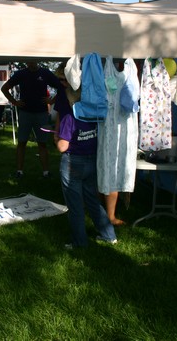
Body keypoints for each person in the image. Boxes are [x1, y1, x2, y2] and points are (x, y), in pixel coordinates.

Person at [53, 68, 117, 249]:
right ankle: (108, 234)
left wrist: (56, 138)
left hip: (73, 162)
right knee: (92, 199)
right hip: (92, 159)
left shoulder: (69, 116)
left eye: (64, 82)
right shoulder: (94, 112)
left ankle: (79, 242)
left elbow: (62, 146)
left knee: (75, 205)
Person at [0, 61, 62, 179]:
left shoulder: (45, 73)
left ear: (37, 60)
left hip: (41, 113)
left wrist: (51, 101)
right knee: (21, 142)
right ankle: (19, 171)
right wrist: (14, 102)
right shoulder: (21, 74)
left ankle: (46, 172)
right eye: (28, 61)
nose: (30, 63)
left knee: (42, 143)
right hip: (25, 113)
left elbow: (61, 87)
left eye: (32, 60)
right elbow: (4, 88)